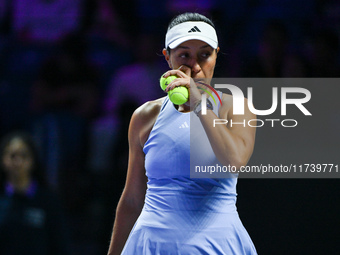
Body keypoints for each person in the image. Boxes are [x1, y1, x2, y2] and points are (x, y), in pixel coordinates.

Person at [107, 12, 257, 254]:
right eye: (184, 55)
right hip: (150, 245)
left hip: (217, 246)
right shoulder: (144, 117)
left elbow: (234, 161)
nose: (195, 66)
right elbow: (133, 199)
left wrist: (200, 105)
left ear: (217, 55)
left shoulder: (237, 107)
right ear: (168, 57)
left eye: (205, 55)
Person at [0, 131, 71, 255]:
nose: (18, 161)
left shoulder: (49, 201)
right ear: (3, 160)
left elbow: (60, 245)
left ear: (33, 160)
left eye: (24, 155)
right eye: (12, 155)